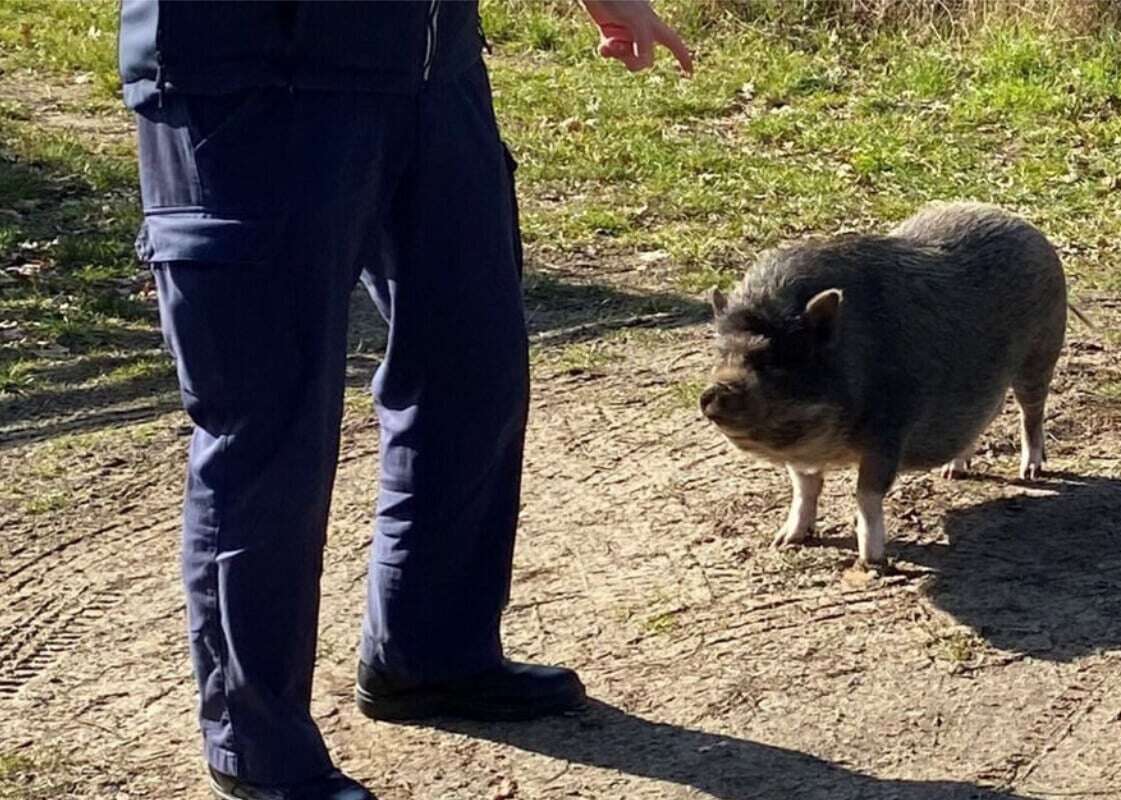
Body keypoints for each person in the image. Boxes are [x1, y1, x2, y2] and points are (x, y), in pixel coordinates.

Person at [118, 1, 691, 798]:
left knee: (473, 371)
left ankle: (429, 654)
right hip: (250, 84)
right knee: (270, 426)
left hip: (431, 69)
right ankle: (254, 742)